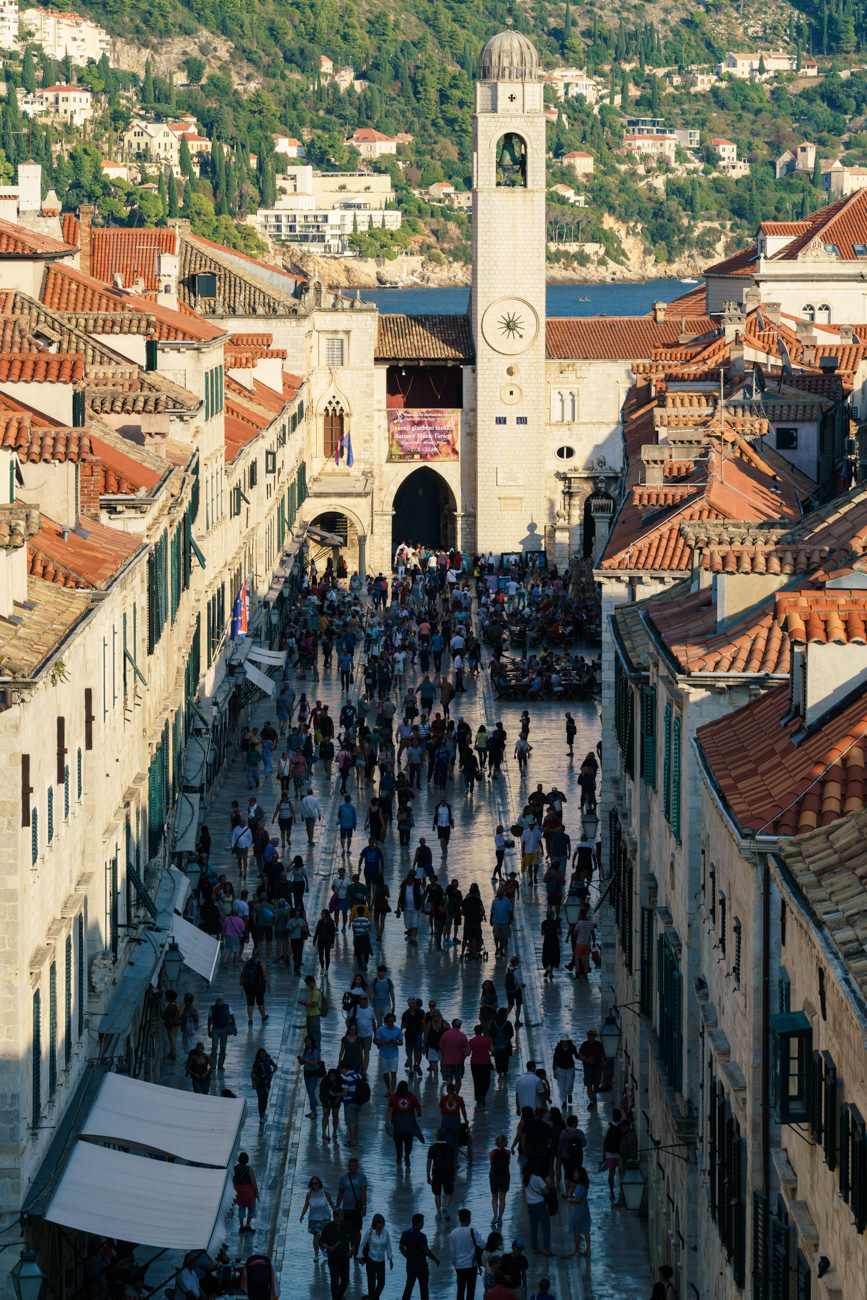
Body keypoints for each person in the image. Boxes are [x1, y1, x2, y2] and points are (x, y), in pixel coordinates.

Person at [399, 1213, 440, 1300]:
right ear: (418, 1223)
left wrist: (408, 1256)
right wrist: (435, 1258)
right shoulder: (422, 1236)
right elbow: (425, 1250)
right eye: (422, 1222)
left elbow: (401, 1248)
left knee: (409, 1286)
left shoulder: (405, 1234)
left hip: (410, 1264)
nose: (423, 1224)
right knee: (424, 1287)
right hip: (421, 1265)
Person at [449, 1209, 485, 1300]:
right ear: (469, 1219)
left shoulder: (453, 1233)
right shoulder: (473, 1232)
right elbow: (482, 1245)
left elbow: (452, 1252)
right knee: (471, 1290)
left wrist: (455, 1264)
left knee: (460, 1290)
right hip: (471, 1265)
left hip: (459, 1266)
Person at [336, 1157, 368, 1258]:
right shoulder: (343, 1178)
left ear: (357, 1166)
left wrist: (364, 1207)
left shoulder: (362, 1177)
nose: (351, 1167)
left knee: (357, 1230)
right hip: (346, 1208)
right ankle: (348, 1248)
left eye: (353, 1166)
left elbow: (363, 1192)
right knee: (345, 1230)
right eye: (349, 1165)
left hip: (357, 1209)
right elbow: (340, 1193)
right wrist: (337, 1206)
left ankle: (356, 1250)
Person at [386, 1078, 422, 1166]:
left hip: (397, 1122)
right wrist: (419, 1113)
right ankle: (407, 1154)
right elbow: (417, 1107)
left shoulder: (393, 1098)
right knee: (408, 1140)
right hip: (409, 1122)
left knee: (398, 1141)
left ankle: (399, 1158)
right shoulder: (412, 1097)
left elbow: (390, 1110)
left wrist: (387, 1121)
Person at [320, 1206, 354, 1297]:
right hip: (333, 1257)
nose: (338, 1218)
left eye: (340, 1216)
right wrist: (328, 1247)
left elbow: (354, 1240)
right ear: (333, 1216)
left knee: (345, 1280)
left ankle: (339, 1295)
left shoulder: (347, 1226)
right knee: (334, 1279)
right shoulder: (328, 1228)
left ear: (343, 1216)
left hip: (344, 1257)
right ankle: (336, 1297)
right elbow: (321, 1241)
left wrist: (351, 1251)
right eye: (336, 1216)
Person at [359, 1214, 393, 1300]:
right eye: (379, 1223)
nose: (381, 1224)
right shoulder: (369, 1232)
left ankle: (373, 1297)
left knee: (381, 1283)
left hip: (381, 1261)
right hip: (371, 1260)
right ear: (376, 1223)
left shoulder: (386, 1232)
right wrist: (360, 1257)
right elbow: (362, 1245)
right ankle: (373, 1298)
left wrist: (390, 1258)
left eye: (382, 1222)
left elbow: (388, 1246)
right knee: (371, 1283)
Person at [426, 1128, 457, 1220]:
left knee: (437, 1193)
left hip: (436, 1172)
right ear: (445, 1137)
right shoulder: (450, 1147)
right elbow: (453, 1162)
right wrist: (454, 1174)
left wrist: (428, 1175)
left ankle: (438, 1212)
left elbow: (429, 1162)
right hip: (448, 1172)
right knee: (449, 1192)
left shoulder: (432, 1148)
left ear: (436, 1137)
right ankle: (446, 1207)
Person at [240, 948, 271, 1025]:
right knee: (260, 1001)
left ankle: (250, 1019)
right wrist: (269, 985)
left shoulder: (247, 963)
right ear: (259, 954)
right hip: (259, 985)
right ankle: (263, 1016)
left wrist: (241, 981)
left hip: (248, 985)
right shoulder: (261, 964)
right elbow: (265, 976)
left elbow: (242, 973)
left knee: (250, 1002)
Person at [438, 1080, 467, 1156]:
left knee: (447, 1140)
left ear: (447, 1090)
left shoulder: (443, 1098)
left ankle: (448, 1157)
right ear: (454, 1089)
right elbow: (463, 1110)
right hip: (455, 1121)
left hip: (446, 1121)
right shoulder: (459, 1098)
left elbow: (442, 1110)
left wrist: (444, 1117)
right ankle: (455, 1159)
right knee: (455, 1140)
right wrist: (465, 1120)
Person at [233, 1152, 259, 1234]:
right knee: (252, 1207)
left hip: (238, 1191)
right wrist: (257, 1192)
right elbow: (253, 1181)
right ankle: (248, 1225)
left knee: (241, 1207)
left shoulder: (235, 1168)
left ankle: (241, 1226)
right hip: (248, 1191)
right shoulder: (249, 1169)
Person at [568, 1166, 592, 1256]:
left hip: (579, 1210)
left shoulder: (578, 1187)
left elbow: (578, 1200)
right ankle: (588, 1248)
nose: (575, 1174)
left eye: (576, 1173)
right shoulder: (584, 1186)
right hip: (585, 1208)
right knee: (586, 1229)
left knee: (576, 1230)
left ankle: (577, 1249)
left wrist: (571, 1200)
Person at [577, 1029, 604, 1108]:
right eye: (588, 1035)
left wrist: (602, 1064)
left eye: (590, 1035)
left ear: (594, 1036)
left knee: (596, 1085)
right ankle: (591, 1101)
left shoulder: (598, 1045)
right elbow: (579, 1056)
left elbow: (602, 1055)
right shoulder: (584, 1045)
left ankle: (594, 1094)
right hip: (587, 1068)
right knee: (589, 1085)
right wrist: (587, 1060)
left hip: (597, 1067)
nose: (588, 1036)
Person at [469, 1023, 494, 1107]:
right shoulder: (487, 1040)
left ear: (475, 1032)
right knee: (486, 1081)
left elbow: (467, 1052)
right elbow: (492, 1050)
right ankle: (483, 1095)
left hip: (475, 1063)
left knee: (477, 1081)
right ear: (482, 1031)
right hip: (486, 1063)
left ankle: (478, 1098)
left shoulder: (472, 1041)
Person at [298, 1034, 323, 1118]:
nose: (307, 1043)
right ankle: (313, 1110)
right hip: (307, 1073)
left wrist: (306, 1060)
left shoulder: (315, 1052)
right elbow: (302, 1063)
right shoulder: (306, 1051)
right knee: (309, 1092)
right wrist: (301, 1060)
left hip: (314, 1074)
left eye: (308, 1041)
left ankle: (313, 1109)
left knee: (312, 1092)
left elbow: (315, 1063)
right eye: (306, 1042)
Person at [489, 1134, 511, 1227]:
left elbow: (491, 1164)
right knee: (503, 1198)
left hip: (494, 1176)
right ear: (503, 1141)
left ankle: (495, 1215)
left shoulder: (492, 1153)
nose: (508, 1142)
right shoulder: (507, 1152)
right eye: (506, 1140)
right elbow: (508, 1163)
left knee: (494, 1197)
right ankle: (500, 1218)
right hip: (505, 1176)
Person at [251, 1047, 277, 1124]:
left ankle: (263, 1111)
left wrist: (271, 1074)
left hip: (266, 1082)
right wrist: (253, 1083)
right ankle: (261, 1116)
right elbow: (252, 1072)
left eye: (263, 1053)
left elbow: (275, 1066)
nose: (262, 1055)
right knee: (260, 1098)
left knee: (265, 1098)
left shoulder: (268, 1060)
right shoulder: (257, 1062)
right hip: (259, 1082)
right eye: (261, 1053)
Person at [552, 1037, 579, 1108]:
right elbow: (555, 1058)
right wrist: (554, 1070)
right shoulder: (558, 1048)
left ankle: (569, 1093)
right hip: (560, 1068)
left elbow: (576, 1055)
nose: (565, 1043)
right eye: (563, 1041)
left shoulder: (572, 1047)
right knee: (561, 1085)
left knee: (570, 1083)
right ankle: (564, 1100)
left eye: (566, 1041)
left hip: (570, 1068)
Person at [602, 1109, 623, 1201]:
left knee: (611, 1173)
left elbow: (604, 1140)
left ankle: (611, 1193)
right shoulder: (623, 1127)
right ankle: (622, 1192)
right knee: (621, 1173)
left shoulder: (608, 1126)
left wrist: (604, 1152)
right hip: (620, 1154)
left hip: (610, 1154)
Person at [300, 974, 325, 1047]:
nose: (307, 985)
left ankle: (316, 1050)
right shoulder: (312, 991)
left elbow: (314, 1004)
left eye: (307, 983)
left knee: (315, 1034)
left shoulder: (315, 991)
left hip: (314, 1015)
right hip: (310, 1014)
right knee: (310, 1034)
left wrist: (305, 1003)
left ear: (311, 982)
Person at [540, 908, 561, 981]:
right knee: (553, 956)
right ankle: (551, 973)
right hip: (554, 940)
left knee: (546, 955)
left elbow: (542, 933)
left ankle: (547, 968)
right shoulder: (556, 923)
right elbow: (560, 932)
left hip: (547, 941)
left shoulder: (544, 923)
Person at [505, 957, 524, 1026]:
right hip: (516, 990)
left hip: (508, 990)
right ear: (516, 963)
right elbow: (519, 982)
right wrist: (522, 985)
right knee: (518, 1005)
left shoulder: (507, 970)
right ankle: (517, 1020)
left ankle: (504, 1017)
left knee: (510, 1005)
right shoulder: (517, 971)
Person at [163, 989, 181, 1060]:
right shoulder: (176, 1004)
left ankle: (173, 1054)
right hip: (176, 1024)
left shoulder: (170, 1006)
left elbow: (165, 1015)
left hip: (171, 1025)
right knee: (174, 1039)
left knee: (172, 1040)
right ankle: (172, 1052)